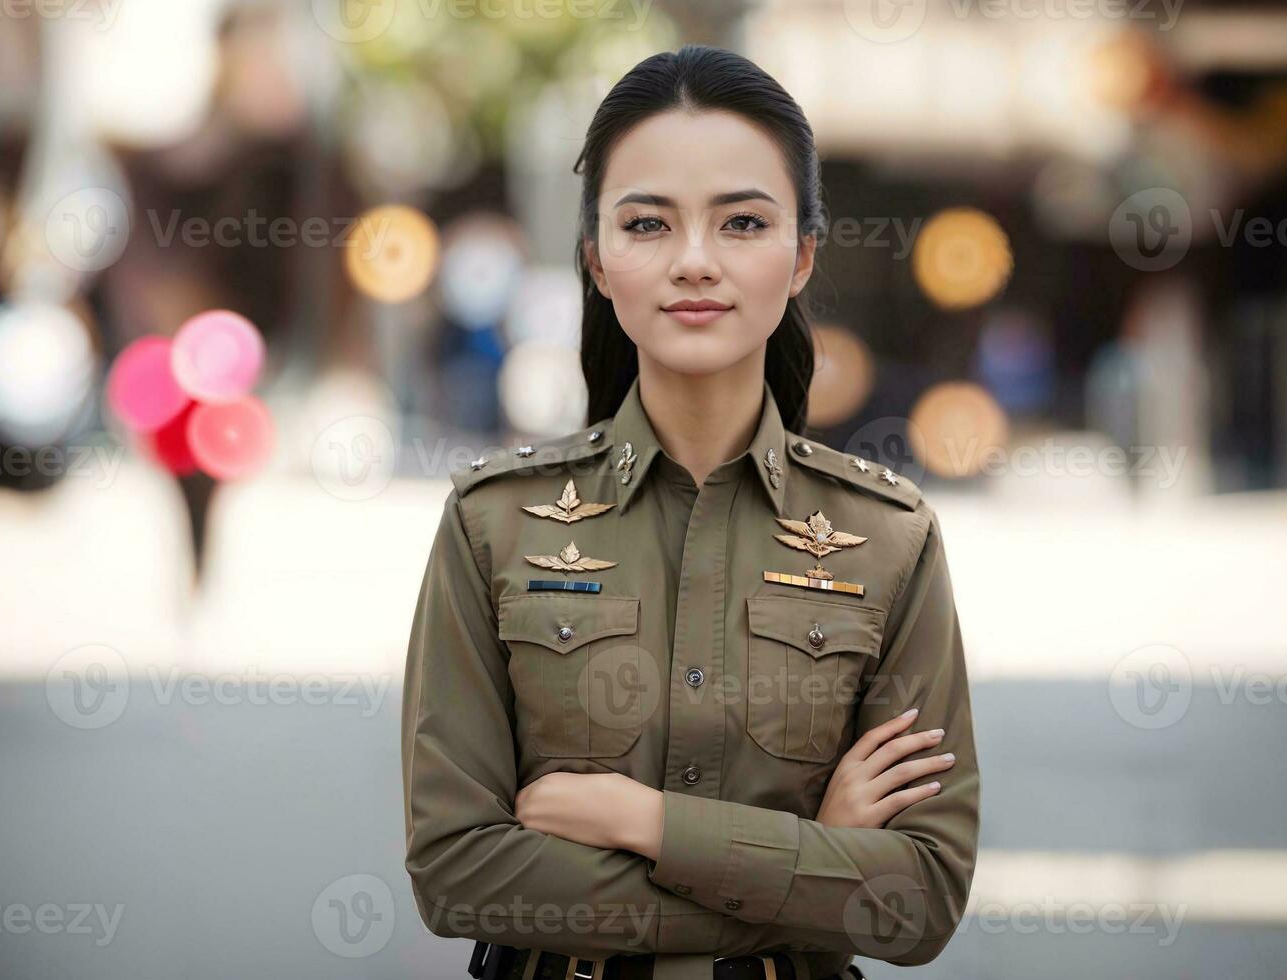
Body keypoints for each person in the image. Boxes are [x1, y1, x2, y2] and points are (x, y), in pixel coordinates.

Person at [401, 44, 979, 980]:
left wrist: (646, 822)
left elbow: (918, 899)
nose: (696, 262)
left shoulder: (890, 538)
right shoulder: (492, 523)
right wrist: (806, 876)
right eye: (648, 224)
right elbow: (460, 872)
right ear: (595, 259)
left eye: (743, 222)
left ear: (801, 259)